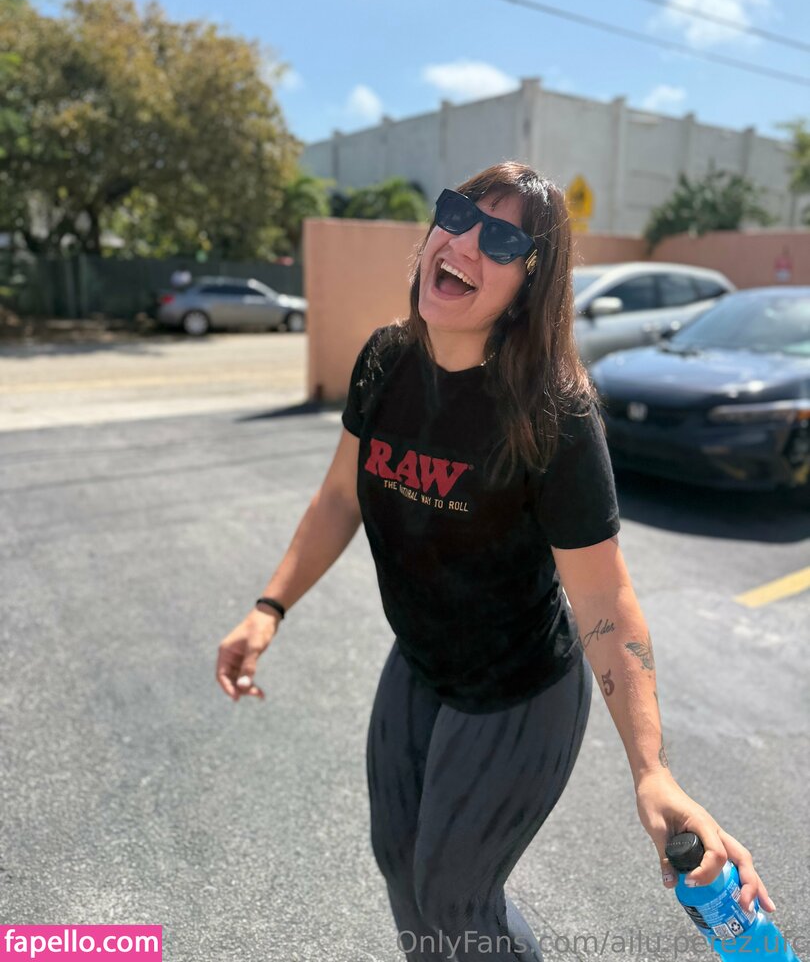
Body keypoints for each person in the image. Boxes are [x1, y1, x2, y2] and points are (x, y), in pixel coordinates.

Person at [216, 162, 776, 961]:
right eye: (458, 215)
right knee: (400, 863)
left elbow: (605, 598)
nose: (465, 245)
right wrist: (268, 609)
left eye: (504, 242)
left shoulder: (551, 414)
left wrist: (652, 770)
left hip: (520, 690)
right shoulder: (385, 362)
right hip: (421, 663)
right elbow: (341, 496)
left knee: (455, 895)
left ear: (529, 285)